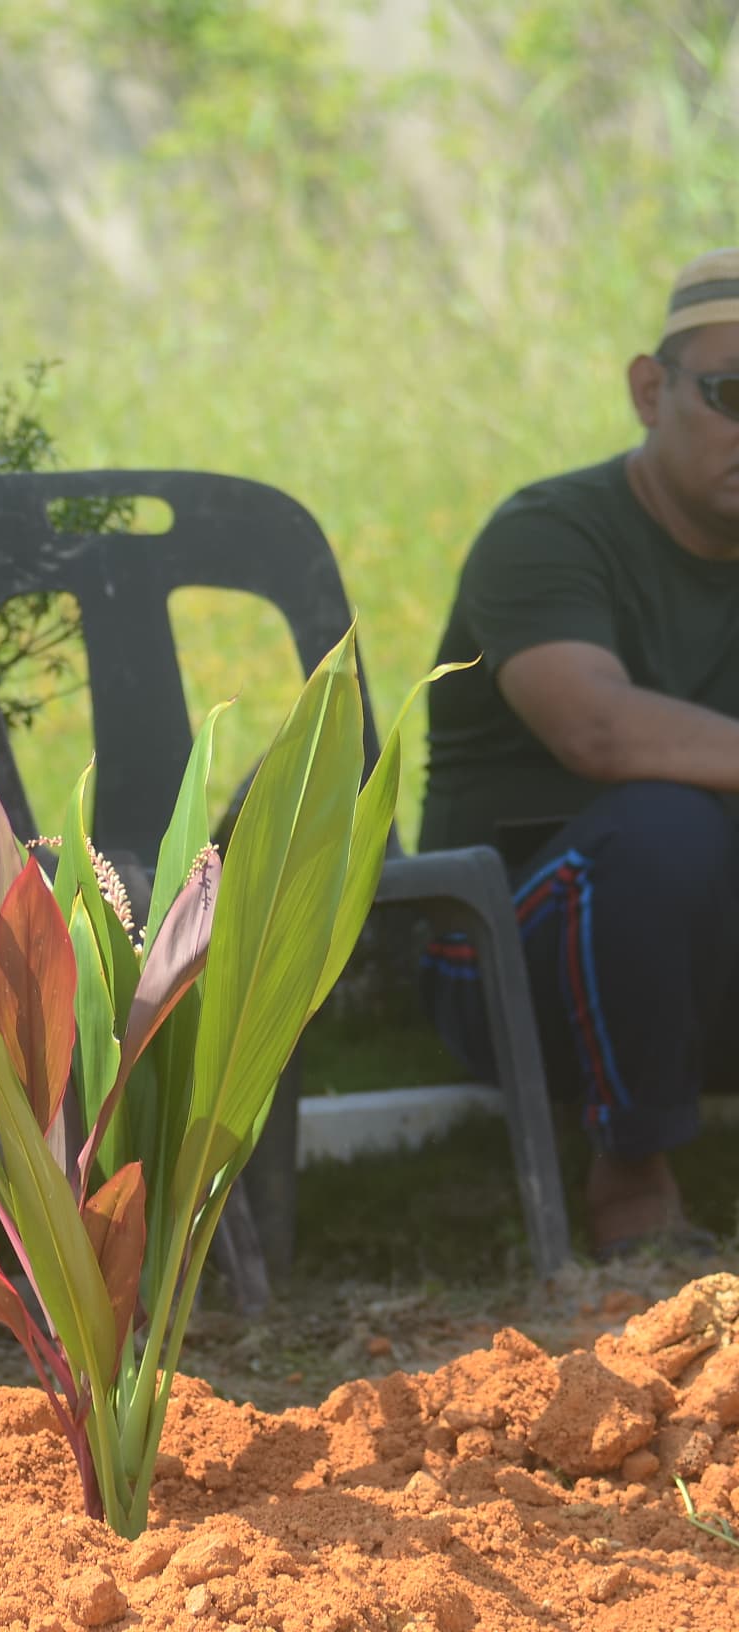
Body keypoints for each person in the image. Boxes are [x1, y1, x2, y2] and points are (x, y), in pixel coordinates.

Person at [420, 247, 739, 1258]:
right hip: (507, 956)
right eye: (732, 393)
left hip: (700, 958)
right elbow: (594, 728)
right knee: (659, 824)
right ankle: (631, 1184)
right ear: (651, 391)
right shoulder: (547, 533)